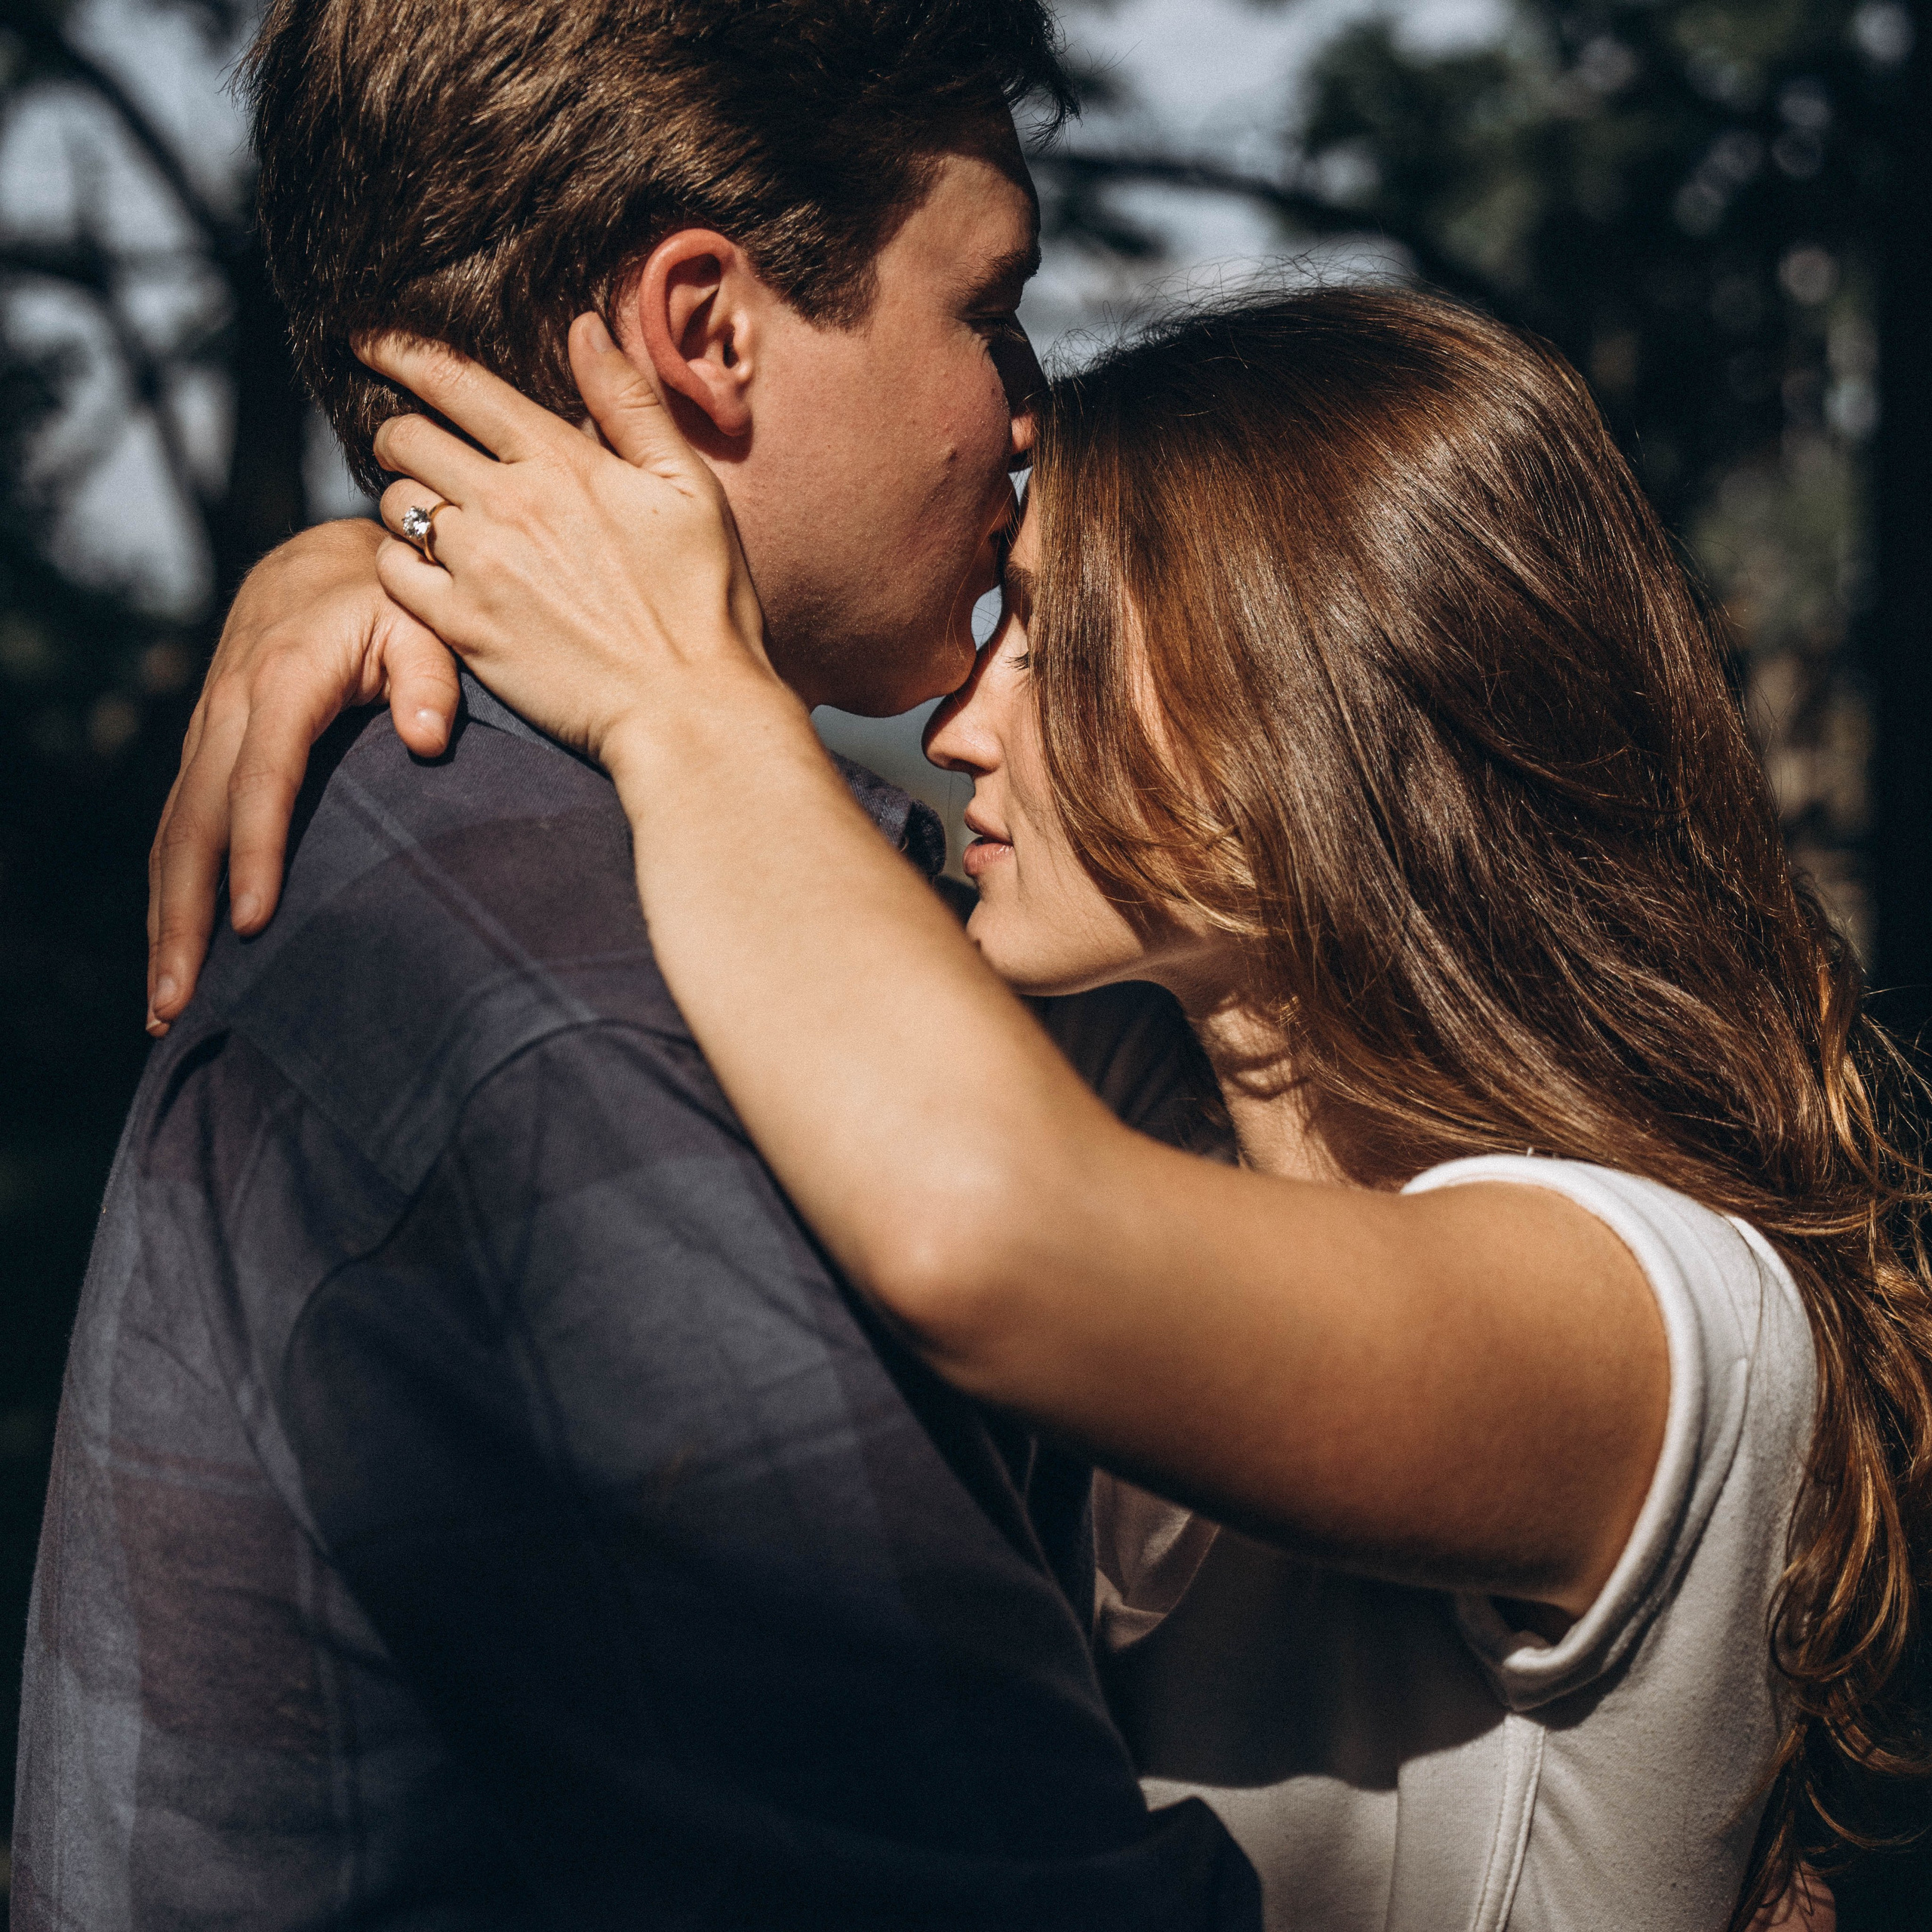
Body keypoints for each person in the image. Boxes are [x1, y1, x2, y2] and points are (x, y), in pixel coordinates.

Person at [148, 286, 1932, 1930]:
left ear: (1315, 697)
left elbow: (983, 1225)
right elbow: (843, 984)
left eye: (1052, 639)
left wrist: (681, 699)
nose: (960, 724)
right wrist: (374, 566)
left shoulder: (1658, 1312)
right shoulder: (1157, 1115)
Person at [10, 4, 1264, 1927]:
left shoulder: (597, 875)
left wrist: (365, 553)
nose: (1028, 410)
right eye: (988, 309)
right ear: (706, 330)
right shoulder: (578, 1013)